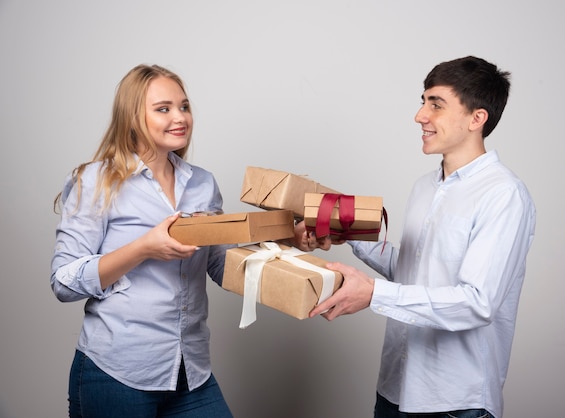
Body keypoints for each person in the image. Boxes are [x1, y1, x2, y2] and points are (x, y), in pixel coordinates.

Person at [50, 63, 312, 417]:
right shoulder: (96, 181)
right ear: (131, 118)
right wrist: (145, 247)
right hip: (116, 371)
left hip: (190, 370)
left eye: (184, 106)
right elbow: (64, 282)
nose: (180, 117)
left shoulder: (202, 184)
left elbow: (221, 267)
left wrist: (289, 241)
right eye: (163, 109)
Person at [305, 56, 536, 418]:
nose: (420, 115)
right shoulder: (425, 186)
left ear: (477, 119)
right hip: (395, 389)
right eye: (423, 100)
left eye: (436, 105)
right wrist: (347, 230)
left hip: (455, 403)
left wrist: (373, 294)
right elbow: (414, 272)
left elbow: (477, 302)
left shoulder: (503, 195)